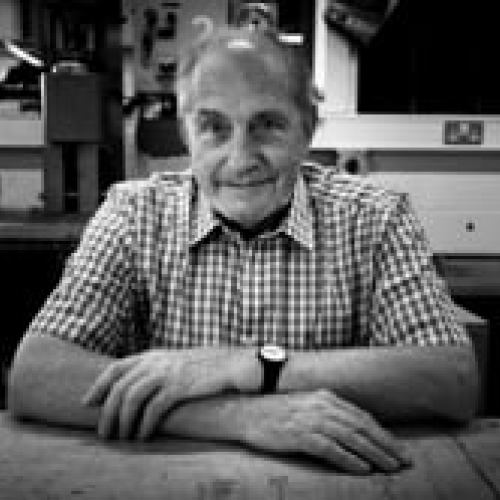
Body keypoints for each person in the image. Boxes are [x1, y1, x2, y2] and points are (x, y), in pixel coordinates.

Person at [8, 25, 479, 475]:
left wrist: (246, 365)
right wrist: (237, 416)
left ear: (308, 130)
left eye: (267, 125)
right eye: (213, 127)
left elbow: (452, 380)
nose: (240, 159)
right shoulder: (133, 215)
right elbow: (36, 375)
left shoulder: (375, 218)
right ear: (186, 134)